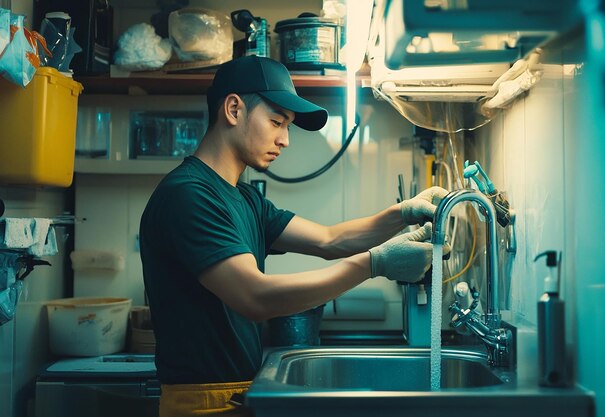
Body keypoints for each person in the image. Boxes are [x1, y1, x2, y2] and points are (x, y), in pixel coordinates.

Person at [139, 55, 448, 417]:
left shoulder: (245, 198)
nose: (285, 140)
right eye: (276, 122)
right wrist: (375, 263)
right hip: (201, 402)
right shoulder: (189, 195)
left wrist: (402, 213)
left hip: (238, 393)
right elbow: (255, 296)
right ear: (234, 109)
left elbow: (330, 239)